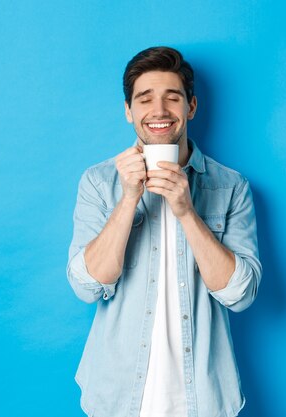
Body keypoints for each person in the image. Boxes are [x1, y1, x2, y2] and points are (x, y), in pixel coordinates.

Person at [67, 46, 262, 417]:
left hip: (203, 398)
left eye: (172, 98)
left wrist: (187, 211)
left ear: (191, 107)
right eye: (144, 99)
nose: (158, 111)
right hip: (116, 396)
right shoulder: (97, 182)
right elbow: (87, 286)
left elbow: (241, 294)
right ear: (129, 111)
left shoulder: (231, 186)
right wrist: (127, 200)